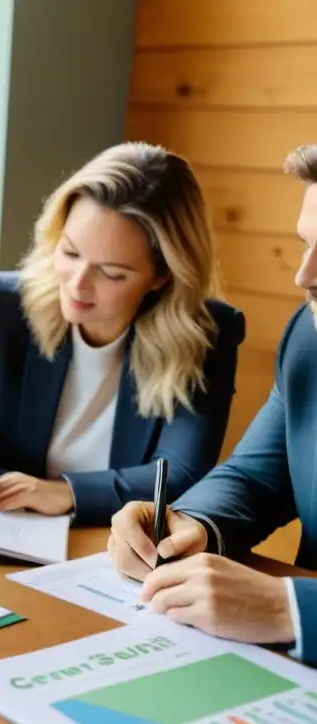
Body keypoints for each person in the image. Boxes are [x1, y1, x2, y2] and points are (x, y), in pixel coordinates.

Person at [0, 142, 246, 526]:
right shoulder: (9, 305)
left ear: (162, 275)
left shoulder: (206, 334)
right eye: (70, 253)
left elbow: (182, 476)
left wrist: (65, 493)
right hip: (12, 531)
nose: (77, 285)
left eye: (112, 272)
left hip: (117, 549)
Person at [108, 144, 317, 663]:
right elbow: (256, 478)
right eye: (306, 245)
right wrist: (189, 526)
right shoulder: (309, 337)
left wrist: (290, 609)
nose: (304, 277)